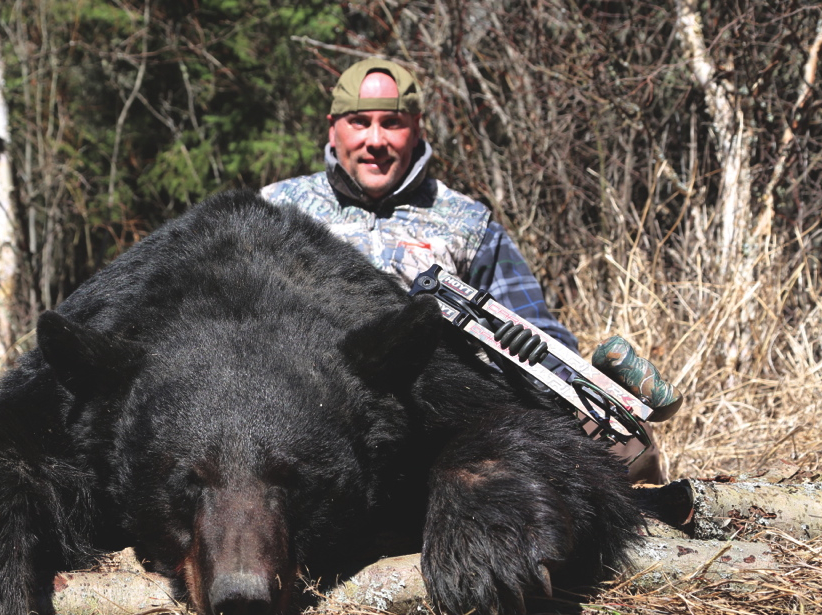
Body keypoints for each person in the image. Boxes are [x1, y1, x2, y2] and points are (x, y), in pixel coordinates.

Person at [262, 58, 665, 484]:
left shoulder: (468, 222)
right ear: (333, 128)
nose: (375, 140)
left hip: (440, 420)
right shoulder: (275, 210)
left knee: (625, 445)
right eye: (359, 122)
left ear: (416, 128)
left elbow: (546, 340)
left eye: (392, 123)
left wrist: (520, 357)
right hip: (311, 416)